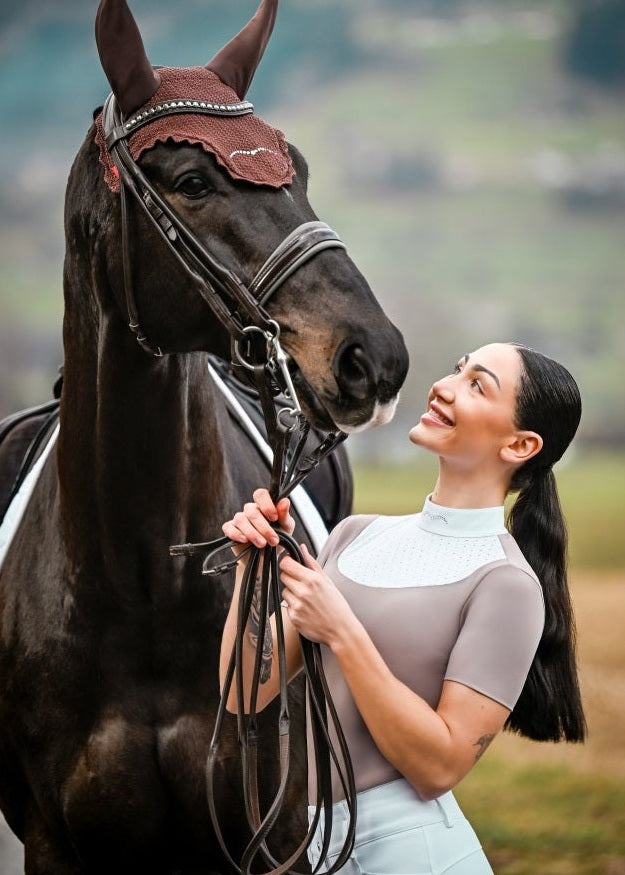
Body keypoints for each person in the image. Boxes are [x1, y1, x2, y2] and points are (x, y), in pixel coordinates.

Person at [220, 341, 586, 875]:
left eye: (477, 385)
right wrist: (252, 572)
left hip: (414, 854)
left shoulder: (506, 584)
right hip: (319, 849)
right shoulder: (354, 535)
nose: (444, 385)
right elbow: (243, 690)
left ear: (520, 444)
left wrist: (343, 631)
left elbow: (438, 766)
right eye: (457, 369)